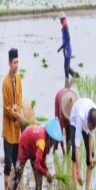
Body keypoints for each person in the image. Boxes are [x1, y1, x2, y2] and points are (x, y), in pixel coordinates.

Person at [12, 118, 63, 190]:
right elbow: (37, 165)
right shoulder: (42, 141)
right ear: (50, 137)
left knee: (39, 182)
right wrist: (46, 173)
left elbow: (42, 160)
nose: (53, 144)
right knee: (18, 174)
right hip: (24, 144)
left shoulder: (45, 139)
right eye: (53, 141)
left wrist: (47, 171)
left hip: (33, 147)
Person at [2, 48, 23, 190]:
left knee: (16, 160)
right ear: (9, 64)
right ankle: (5, 185)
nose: (17, 65)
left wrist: (20, 113)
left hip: (16, 129)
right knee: (8, 163)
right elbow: (6, 108)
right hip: (8, 129)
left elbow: (20, 101)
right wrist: (16, 114)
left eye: (18, 62)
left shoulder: (19, 79)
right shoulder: (5, 82)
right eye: (15, 62)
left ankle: (14, 186)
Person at [70, 98, 96, 190]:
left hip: (85, 119)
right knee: (74, 155)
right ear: (87, 121)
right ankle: (75, 187)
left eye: (92, 128)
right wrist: (78, 172)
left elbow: (91, 136)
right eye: (89, 127)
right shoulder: (80, 116)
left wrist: (90, 156)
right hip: (74, 121)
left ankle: (87, 188)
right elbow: (77, 145)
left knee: (90, 160)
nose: (90, 130)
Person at [54, 88, 78, 155]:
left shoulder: (74, 106)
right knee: (58, 131)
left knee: (69, 133)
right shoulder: (62, 109)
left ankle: (68, 151)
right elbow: (60, 134)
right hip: (59, 101)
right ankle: (55, 149)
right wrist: (63, 150)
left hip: (66, 94)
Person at [57, 12, 79, 79]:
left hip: (67, 49)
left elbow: (68, 38)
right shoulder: (64, 26)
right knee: (67, 67)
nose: (60, 21)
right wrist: (62, 48)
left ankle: (67, 82)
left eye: (60, 19)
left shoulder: (65, 27)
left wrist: (61, 47)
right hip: (66, 48)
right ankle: (76, 76)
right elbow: (65, 39)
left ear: (62, 19)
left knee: (66, 67)